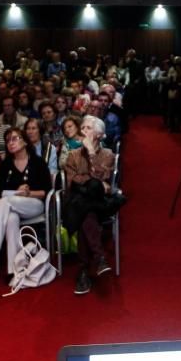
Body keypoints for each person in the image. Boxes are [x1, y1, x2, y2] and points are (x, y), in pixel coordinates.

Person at [0, 127, 53, 278]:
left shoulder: (37, 162)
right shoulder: (6, 165)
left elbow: (46, 190)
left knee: (5, 202)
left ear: (24, 141)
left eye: (15, 138)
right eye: (7, 141)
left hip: (34, 204)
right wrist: (16, 192)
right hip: (10, 206)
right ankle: (14, 269)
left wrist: (28, 193)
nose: (10, 143)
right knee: (11, 218)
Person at [62, 116, 117, 295]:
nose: (83, 131)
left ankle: (83, 270)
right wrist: (93, 181)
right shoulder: (73, 155)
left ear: (100, 135)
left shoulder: (108, 154)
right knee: (87, 210)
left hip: (99, 204)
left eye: (88, 128)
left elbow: (102, 180)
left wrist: (92, 153)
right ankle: (99, 257)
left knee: (87, 208)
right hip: (78, 203)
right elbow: (72, 182)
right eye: (83, 127)